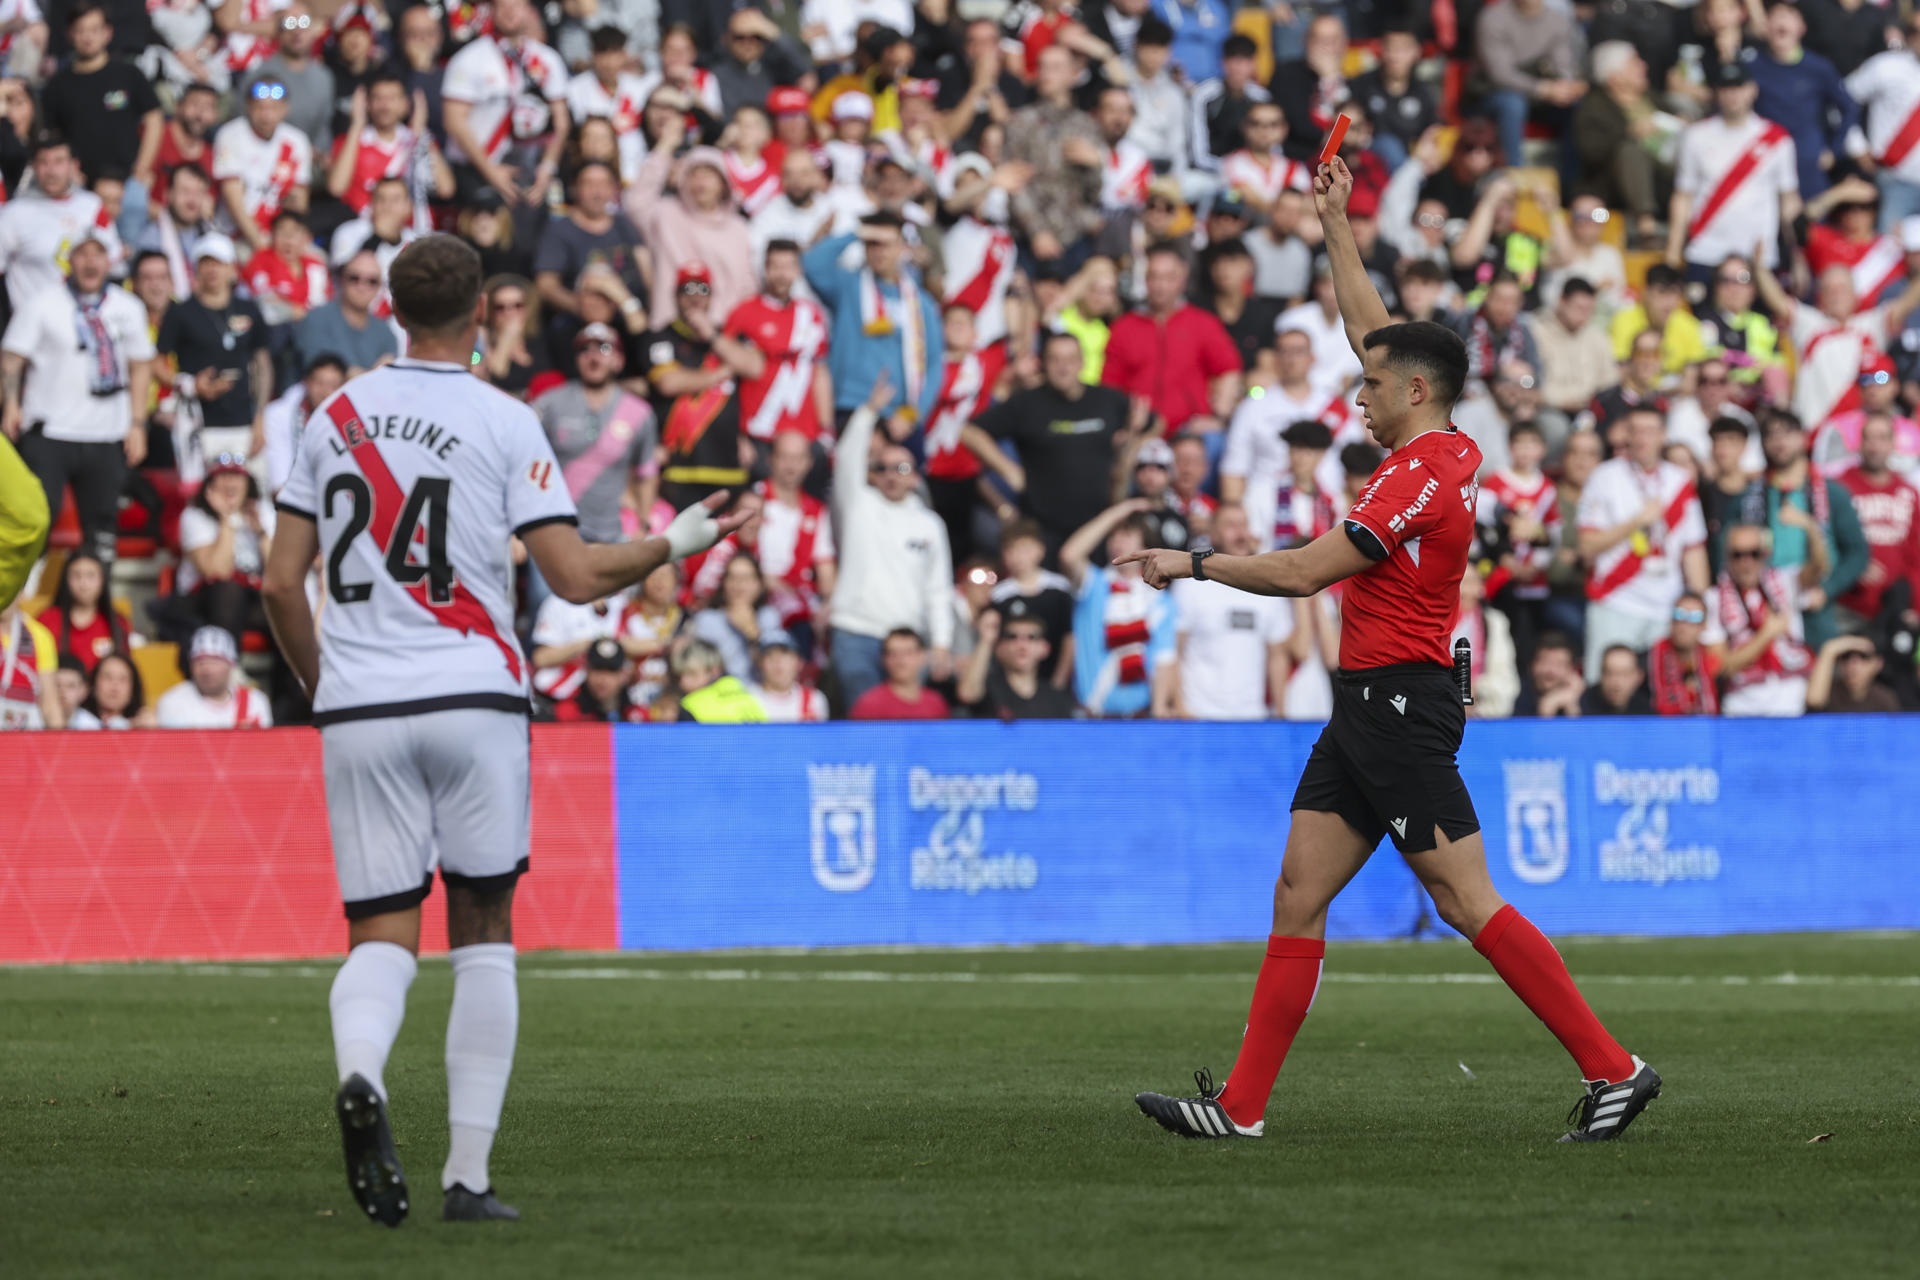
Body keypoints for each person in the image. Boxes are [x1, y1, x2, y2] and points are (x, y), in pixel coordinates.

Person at [1127, 155, 1659, 1145]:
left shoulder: (1409, 484)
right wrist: (1335, 222)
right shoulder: (1440, 448)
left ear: (1416, 390)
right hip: (1371, 702)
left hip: (1401, 705)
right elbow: (1372, 328)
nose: (1355, 394)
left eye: (1372, 384)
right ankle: (1239, 1106)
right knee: (1299, 889)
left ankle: (1614, 1066)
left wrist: (1190, 558)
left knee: (1465, 898)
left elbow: (1298, 575)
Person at [260, 233, 747, 1227]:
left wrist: (329, 682)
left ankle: (363, 1072)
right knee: (483, 927)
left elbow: (277, 579)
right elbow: (571, 575)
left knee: (381, 932)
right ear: (482, 310)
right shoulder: (504, 416)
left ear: (392, 308)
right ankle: (467, 1177)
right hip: (474, 695)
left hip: (361, 701)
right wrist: (674, 540)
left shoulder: (332, 415)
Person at [1, 230, 153, 571]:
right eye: (82, 254)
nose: (90, 262)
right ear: (69, 260)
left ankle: (100, 612)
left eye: (98, 254)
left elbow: (141, 365)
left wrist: (138, 423)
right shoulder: (42, 302)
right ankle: (21, 604)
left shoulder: (128, 307)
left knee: (101, 530)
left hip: (106, 434)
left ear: (109, 261)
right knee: (36, 520)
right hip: (49, 430)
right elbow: (12, 357)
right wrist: (11, 403)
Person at [828, 370, 953, 709]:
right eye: (883, 468)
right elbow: (846, 462)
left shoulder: (930, 525)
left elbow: (938, 589)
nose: (892, 476)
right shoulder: (858, 504)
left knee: (907, 736)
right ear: (873, 474)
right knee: (867, 728)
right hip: (856, 632)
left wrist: (941, 643)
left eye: (901, 469)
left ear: (915, 477)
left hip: (909, 640)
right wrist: (868, 411)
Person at [961, 331, 1134, 553]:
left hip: (1097, 528)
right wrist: (1010, 471)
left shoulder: (1108, 400)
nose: (1064, 368)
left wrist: (1132, 438)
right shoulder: (1027, 404)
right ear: (1043, 363)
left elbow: (1154, 422)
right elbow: (969, 432)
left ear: (1082, 363)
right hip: (1043, 528)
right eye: (1055, 360)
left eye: (1070, 360)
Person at [1576, 405, 1712, 680]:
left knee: (1662, 694)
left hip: (1666, 608)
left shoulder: (1679, 481)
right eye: (1635, 431)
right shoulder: (1604, 476)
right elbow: (1586, 545)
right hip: (1614, 602)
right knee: (1604, 689)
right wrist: (1636, 521)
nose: (1642, 438)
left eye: (1650, 431)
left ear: (1663, 436)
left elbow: (1694, 551)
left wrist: (1701, 608)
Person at [440, 0, 571, 243]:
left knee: (526, 246)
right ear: (492, 11)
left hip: (527, 172)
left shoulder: (547, 59)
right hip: (476, 171)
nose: (510, 11)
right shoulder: (469, 58)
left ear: (529, 11)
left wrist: (547, 169)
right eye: (503, 6)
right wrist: (491, 172)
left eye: (517, 5)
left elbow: (560, 123)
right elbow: (454, 121)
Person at [805, 211, 944, 429]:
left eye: (886, 244)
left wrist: (914, 413)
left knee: (903, 466)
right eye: (872, 244)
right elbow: (811, 265)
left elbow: (934, 361)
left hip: (899, 415)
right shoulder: (848, 286)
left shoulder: (921, 302)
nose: (879, 252)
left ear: (902, 248)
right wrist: (856, 233)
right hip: (850, 405)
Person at [155, 234, 272, 484]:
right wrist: (189, 384)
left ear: (231, 267)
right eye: (205, 262)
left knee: (251, 494)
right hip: (198, 424)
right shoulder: (180, 312)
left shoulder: (248, 309)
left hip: (244, 422)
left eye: (218, 262)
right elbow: (156, 363)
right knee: (200, 494)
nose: (212, 269)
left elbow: (263, 365)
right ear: (196, 268)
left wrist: (261, 417)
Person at [1666, 63, 1800, 283]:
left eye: (1739, 87)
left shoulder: (1778, 140)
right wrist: (1672, 253)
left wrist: (1797, 256)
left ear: (1752, 90)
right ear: (1717, 92)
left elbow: (1789, 202)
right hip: (1705, 251)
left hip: (1758, 257)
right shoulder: (1695, 136)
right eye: (1726, 88)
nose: (1733, 95)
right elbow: (1683, 196)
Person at [1169, 502, 1293, 719]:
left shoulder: (1266, 584)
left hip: (1252, 718)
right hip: (1197, 716)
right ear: (1213, 534)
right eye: (1230, 525)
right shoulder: (1189, 584)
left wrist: (1280, 712)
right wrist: (1180, 708)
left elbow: (1277, 656)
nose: (1240, 533)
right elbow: (1174, 651)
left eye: (1244, 524)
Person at [1102, 243, 1242, 432]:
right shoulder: (1123, 327)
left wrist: (1218, 417)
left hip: (1190, 431)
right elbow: (1110, 385)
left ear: (1183, 279)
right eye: (1154, 277)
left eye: (1169, 278)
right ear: (1145, 279)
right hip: (1139, 429)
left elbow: (1229, 370)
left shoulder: (1203, 323)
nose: (1161, 286)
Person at [1060, 497, 1176, 718]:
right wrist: (1121, 510)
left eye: (1126, 535)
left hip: (1139, 717)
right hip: (1091, 717)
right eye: (1112, 535)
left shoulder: (1161, 601)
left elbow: (1164, 660)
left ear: (1146, 547)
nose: (1116, 541)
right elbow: (1069, 555)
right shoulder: (1094, 584)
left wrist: (1160, 709)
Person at [0, 131, 123, 313]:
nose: (51, 171)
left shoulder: (92, 206)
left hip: (86, 324)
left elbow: (112, 260)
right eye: (43, 162)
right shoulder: (13, 214)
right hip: (32, 329)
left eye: (58, 161)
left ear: (74, 166)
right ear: (34, 167)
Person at [1702, 522, 1812, 716]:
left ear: (1765, 554)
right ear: (1727, 557)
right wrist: (1766, 634)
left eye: (1754, 553)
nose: (1747, 562)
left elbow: (1821, 566)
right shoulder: (1714, 598)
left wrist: (1811, 526)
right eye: (1738, 555)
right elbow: (1722, 667)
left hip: (1790, 702)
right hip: (1741, 706)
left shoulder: (1784, 582)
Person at [1834, 414, 1920, 639]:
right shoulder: (1839, 488)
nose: (1874, 446)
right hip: (1847, 607)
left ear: (1893, 444)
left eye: (1882, 438)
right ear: (1859, 443)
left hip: (1896, 609)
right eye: (1868, 438)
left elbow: (1916, 556)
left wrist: (1916, 606)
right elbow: (1824, 541)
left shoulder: (1908, 493)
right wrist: (1853, 566)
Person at [213, 77, 313, 255]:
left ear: (285, 109)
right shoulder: (230, 135)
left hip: (279, 238)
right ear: (248, 107)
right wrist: (263, 249)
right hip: (235, 236)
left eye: (274, 108)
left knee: (317, 262)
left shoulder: (296, 141)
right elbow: (234, 202)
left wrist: (286, 243)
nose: (267, 115)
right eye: (260, 107)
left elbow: (299, 201)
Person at [1843, 13, 1920, 231]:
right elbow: (1841, 102)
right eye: (1916, 32)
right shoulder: (1886, 66)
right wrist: (1855, 146)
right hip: (1894, 182)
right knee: (1886, 256)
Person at [957, 598, 1078, 721]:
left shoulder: (1056, 699)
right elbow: (968, 694)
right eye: (1012, 637)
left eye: (1031, 637)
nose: (1022, 645)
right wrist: (986, 640)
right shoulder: (989, 690)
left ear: (1045, 648)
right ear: (999, 648)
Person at [292, 249, 400, 374]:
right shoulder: (316, 319)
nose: (362, 286)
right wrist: (372, 376)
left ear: (379, 287)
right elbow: (325, 377)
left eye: (372, 281)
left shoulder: (385, 332)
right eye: (354, 278)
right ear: (342, 279)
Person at [155, 624, 272, 727]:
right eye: (200, 663)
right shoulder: (173, 702)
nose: (207, 670)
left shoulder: (255, 701)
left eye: (215, 662)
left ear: (231, 665)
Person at [36, 549, 132, 672]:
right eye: (76, 575)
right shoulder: (47, 620)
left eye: (91, 575)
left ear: (103, 580)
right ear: (65, 580)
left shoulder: (117, 623)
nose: (83, 583)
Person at [691, 552, 782, 681]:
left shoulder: (768, 617)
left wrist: (753, 634)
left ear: (759, 585)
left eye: (746, 578)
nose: (739, 585)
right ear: (724, 583)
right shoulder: (707, 619)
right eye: (732, 577)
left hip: (760, 694)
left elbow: (778, 668)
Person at [847, 627, 950, 720]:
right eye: (893, 653)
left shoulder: (936, 703)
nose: (900, 661)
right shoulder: (869, 704)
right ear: (884, 659)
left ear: (922, 656)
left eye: (908, 653)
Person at [1647, 593, 1721, 715]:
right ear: (1671, 620)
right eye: (1679, 614)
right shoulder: (1648, 662)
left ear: (1704, 626)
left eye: (1694, 617)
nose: (1684, 625)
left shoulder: (1713, 667)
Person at [0, 596, 61, 728]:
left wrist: (61, 745)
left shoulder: (39, 635)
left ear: (21, 590)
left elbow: (49, 704)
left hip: (24, 740)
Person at [674, 637, 767, 722]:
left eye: (691, 674)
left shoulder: (690, 705)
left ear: (715, 671)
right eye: (680, 675)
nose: (683, 681)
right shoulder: (744, 692)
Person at [548, 636, 639, 722]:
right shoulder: (568, 714)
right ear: (586, 670)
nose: (603, 679)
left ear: (624, 674)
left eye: (611, 671)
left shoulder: (638, 716)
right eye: (597, 669)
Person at [1805, 633, 1900, 712]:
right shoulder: (1827, 692)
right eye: (1846, 656)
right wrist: (1829, 649)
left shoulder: (1885, 699)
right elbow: (1814, 701)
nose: (1853, 665)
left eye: (1864, 656)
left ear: (1879, 663)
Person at [751, 630, 828, 722]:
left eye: (784, 654)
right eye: (769, 655)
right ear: (760, 663)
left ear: (799, 662)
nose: (777, 662)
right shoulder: (748, 698)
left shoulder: (815, 700)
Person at [69, 649, 153, 728]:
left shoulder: (142, 725)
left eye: (122, 679)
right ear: (93, 684)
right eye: (107, 677)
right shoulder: (75, 721)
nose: (114, 686)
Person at [1512, 631, 1587, 717]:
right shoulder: (1515, 692)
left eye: (1559, 664)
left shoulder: (1586, 696)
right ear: (1531, 665)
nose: (1551, 671)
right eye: (1545, 662)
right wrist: (1546, 710)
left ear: (1572, 669)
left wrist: (1572, 708)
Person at [1579, 644, 1655, 715]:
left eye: (1625, 674)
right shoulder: (1582, 706)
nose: (1617, 683)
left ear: (1639, 677)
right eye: (1609, 673)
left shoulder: (1647, 711)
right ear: (1601, 674)